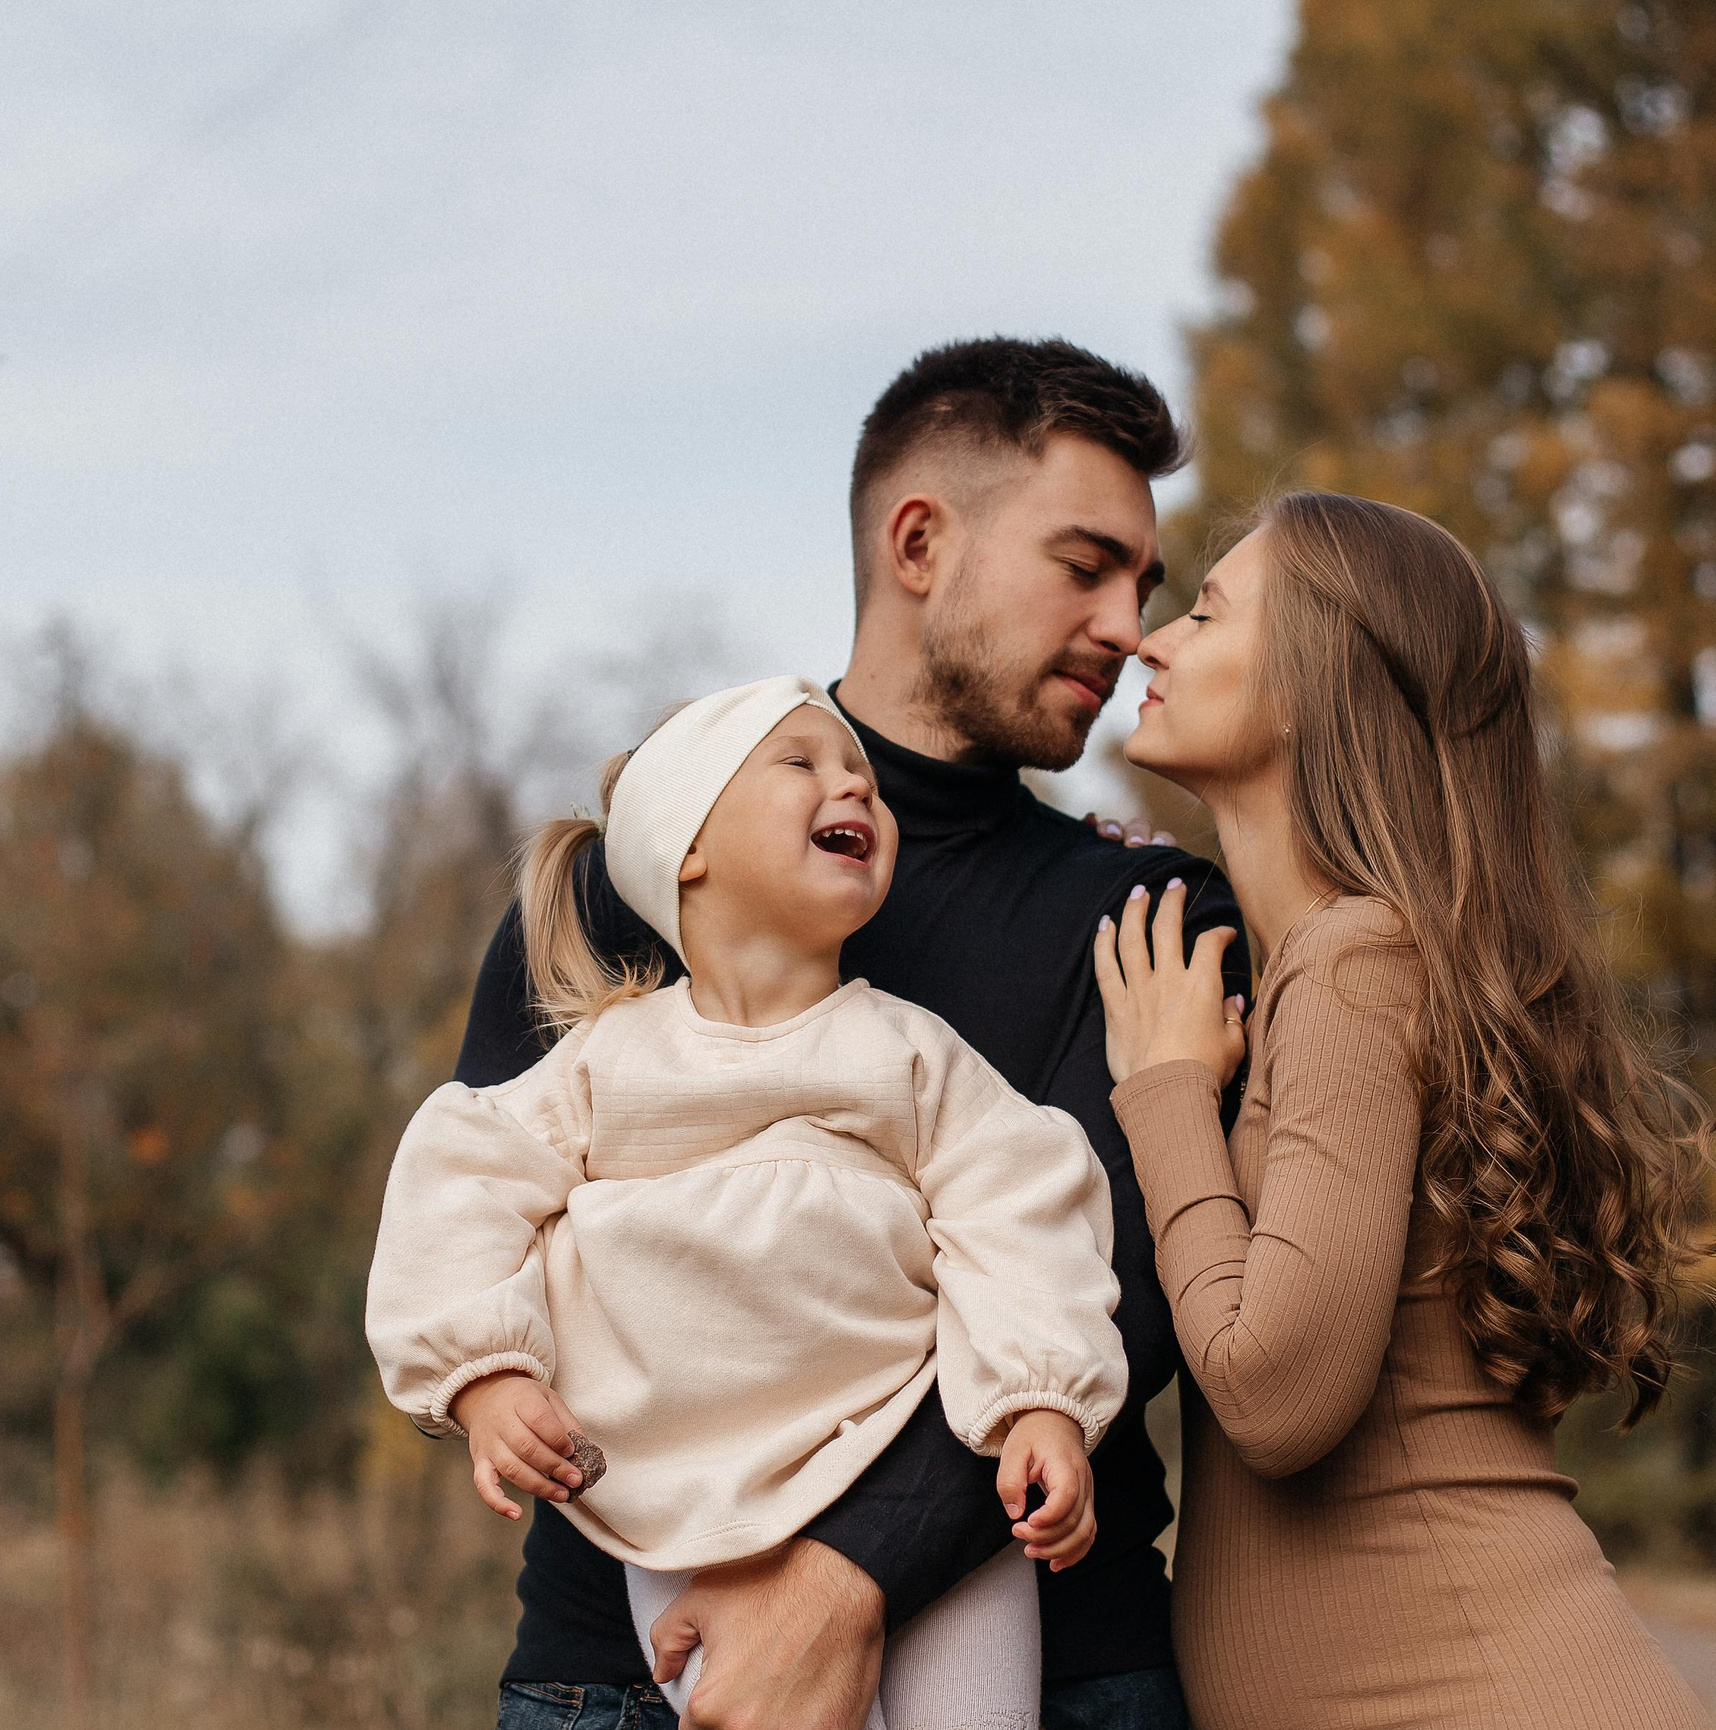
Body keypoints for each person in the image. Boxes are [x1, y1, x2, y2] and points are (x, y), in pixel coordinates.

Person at [452, 339, 1246, 1730]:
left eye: (1148, 585)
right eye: (1085, 564)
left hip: (1052, 1668)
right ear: (920, 541)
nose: (1130, 624)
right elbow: (481, 1229)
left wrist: (839, 1586)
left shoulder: (1149, 916)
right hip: (631, 1666)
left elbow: (1113, 1286)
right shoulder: (628, 885)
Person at [369, 676, 1126, 1730]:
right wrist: (485, 1377)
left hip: (910, 1467)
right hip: (680, 1499)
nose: (852, 783)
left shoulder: (908, 1051)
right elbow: (460, 1177)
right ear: (688, 848)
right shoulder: (608, 1062)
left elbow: (1023, 1202)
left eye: (861, 774)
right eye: (803, 763)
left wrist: (1041, 1394)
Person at [1092, 491, 1716, 1728]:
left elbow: (1275, 1398)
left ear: (1318, 677)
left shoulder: (1354, 962)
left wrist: (1162, 1092)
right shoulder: (1341, 970)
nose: (1149, 640)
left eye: (1206, 611)